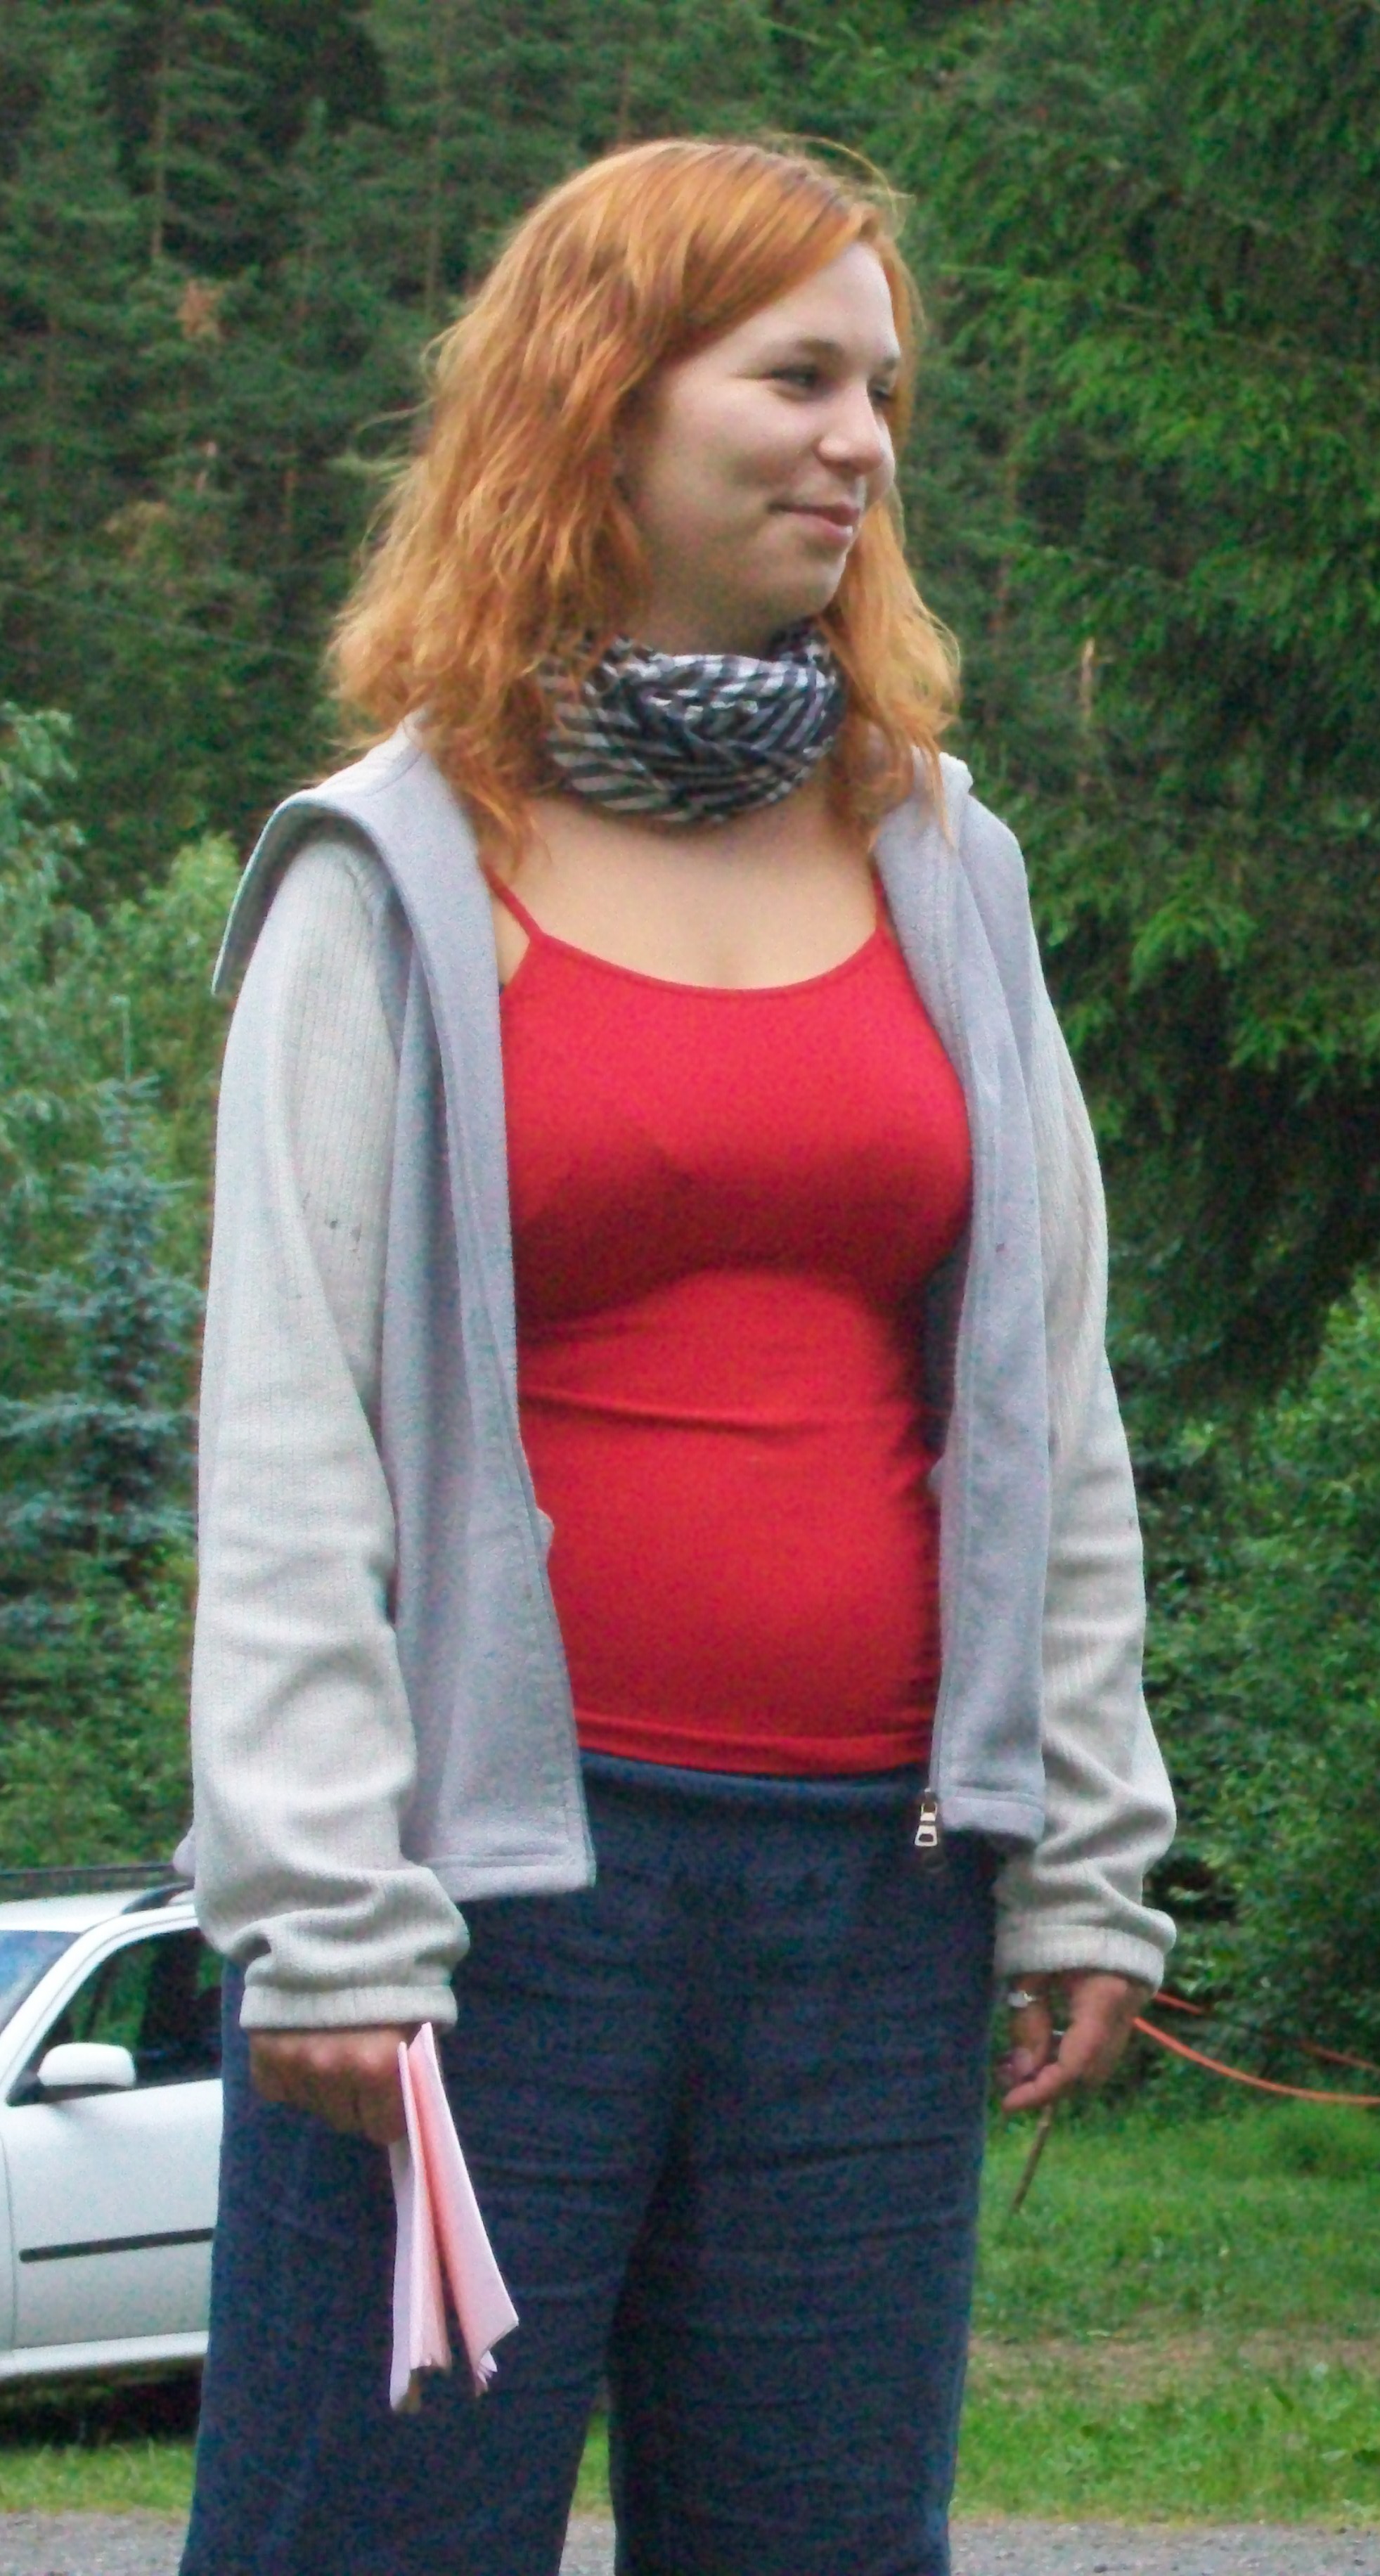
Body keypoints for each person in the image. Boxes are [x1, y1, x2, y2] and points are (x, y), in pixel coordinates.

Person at [179, 136, 1175, 2576]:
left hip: (873, 1901)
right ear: (601, 400)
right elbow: (287, 1431)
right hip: (472, 1915)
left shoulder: (944, 863)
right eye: (798, 379)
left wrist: (1083, 1858)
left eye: (884, 394)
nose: (862, 444)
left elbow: (1047, 1405)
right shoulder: (387, 868)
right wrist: (321, 1903)